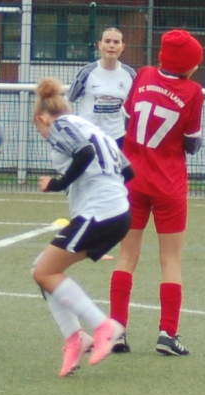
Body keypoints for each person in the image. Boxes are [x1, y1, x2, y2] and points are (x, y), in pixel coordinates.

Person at [110, 28, 205, 356]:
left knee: (126, 256)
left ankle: (116, 330)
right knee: (171, 260)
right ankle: (167, 333)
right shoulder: (193, 91)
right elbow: (191, 144)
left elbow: (128, 121)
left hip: (132, 180)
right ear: (188, 64)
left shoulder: (144, 75)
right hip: (169, 184)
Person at [29, 78, 132, 376]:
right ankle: (75, 338)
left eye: (39, 130)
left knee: (44, 272)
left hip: (101, 213)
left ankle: (103, 326)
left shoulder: (60, 126)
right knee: (42, 270)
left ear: (42, 119)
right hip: (115, 212)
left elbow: (85, 153)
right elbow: (128, 171)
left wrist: (57, 183)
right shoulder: (92, 128)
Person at [68, 26, 134, 144]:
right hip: (89, 137)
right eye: (107, 41)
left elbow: (136, 107)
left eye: (116, 42)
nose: (111, 46)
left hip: (117, 138)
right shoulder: (86, 73)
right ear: (100, 45)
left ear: (122, 47)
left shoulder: (130, 74)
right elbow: (68, 100)